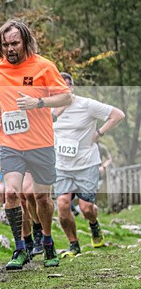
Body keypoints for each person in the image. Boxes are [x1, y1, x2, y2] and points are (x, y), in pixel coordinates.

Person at [0, 19, 72, 271]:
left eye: (14, 43)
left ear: (25, 41)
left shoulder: (44, 66)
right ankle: (20, 247)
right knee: (12, 194)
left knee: (41, 197)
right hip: (10, 143)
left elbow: (65, 96)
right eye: (5, 45)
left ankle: (47, 242)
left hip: (41, 143)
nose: (10, 49)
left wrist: (38, 103)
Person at [53, 72, 125, 257]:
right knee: (62, 204)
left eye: (66, 86)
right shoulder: (49, 109)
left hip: (86, 163)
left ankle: (94, 225)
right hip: (61, 165)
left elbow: (118, 114)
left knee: (86, 208)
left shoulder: (86, 105)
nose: (63, 90)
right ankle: (73, 245)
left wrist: (99, 133)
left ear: (72, 88)